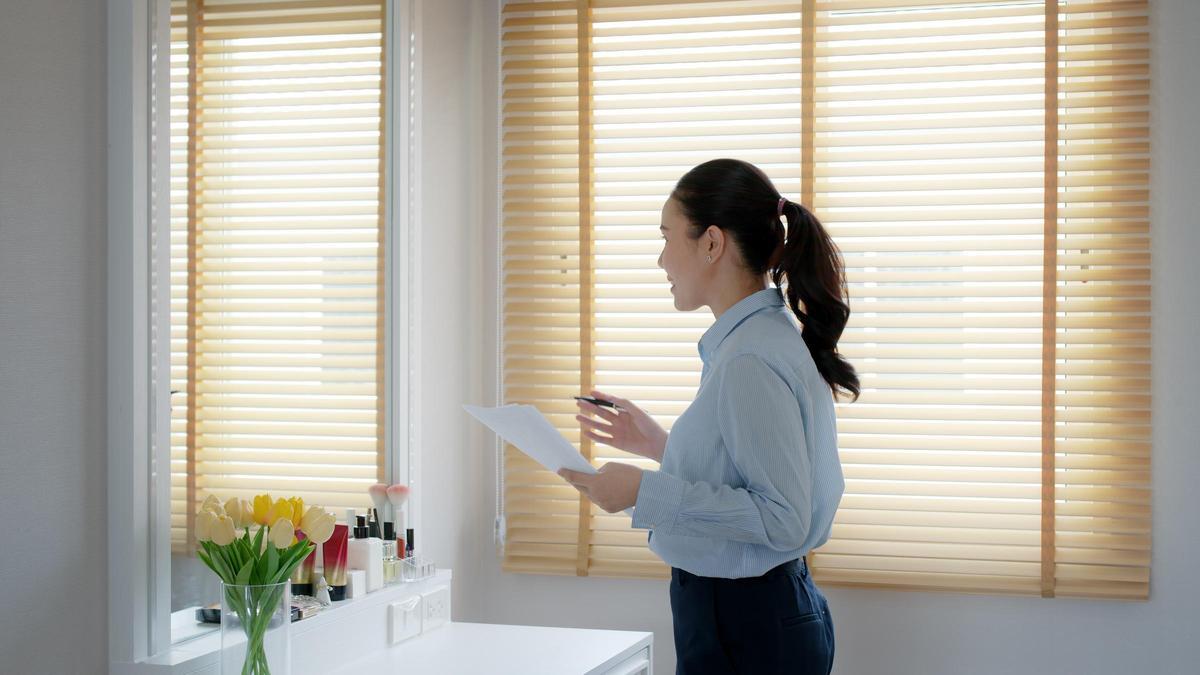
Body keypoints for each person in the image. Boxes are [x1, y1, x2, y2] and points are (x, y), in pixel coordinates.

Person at [558, 158, 858, 675]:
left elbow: (781, 517)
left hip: (746, 625)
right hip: (753, 618)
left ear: (712, 243)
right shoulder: (753, 340)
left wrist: (641, 492)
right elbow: (751, 471)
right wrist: (660, 445)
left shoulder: (748, 359)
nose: (660, 259)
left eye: (667, 236)